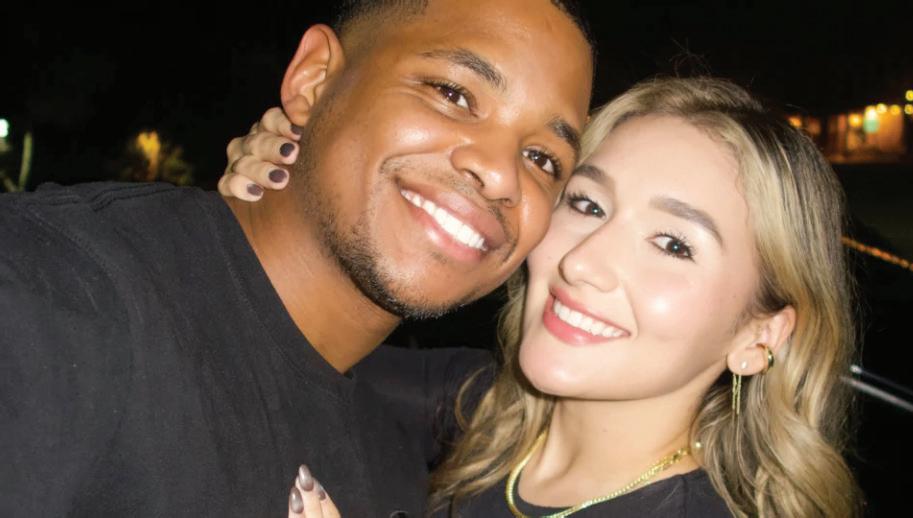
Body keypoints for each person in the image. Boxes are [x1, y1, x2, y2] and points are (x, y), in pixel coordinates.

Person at [0, 1, 594, 516]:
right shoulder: (56, 296)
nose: (501, 175)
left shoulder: (397, 467)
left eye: (543, 159)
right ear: (314, 80)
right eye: (453, 94)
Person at [226, 77, 861, 517]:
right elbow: (263, 342)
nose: (582, 262)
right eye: (587, 204)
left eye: (673, 244)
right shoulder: (480, 410)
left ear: (759, 335)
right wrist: (277, 211)